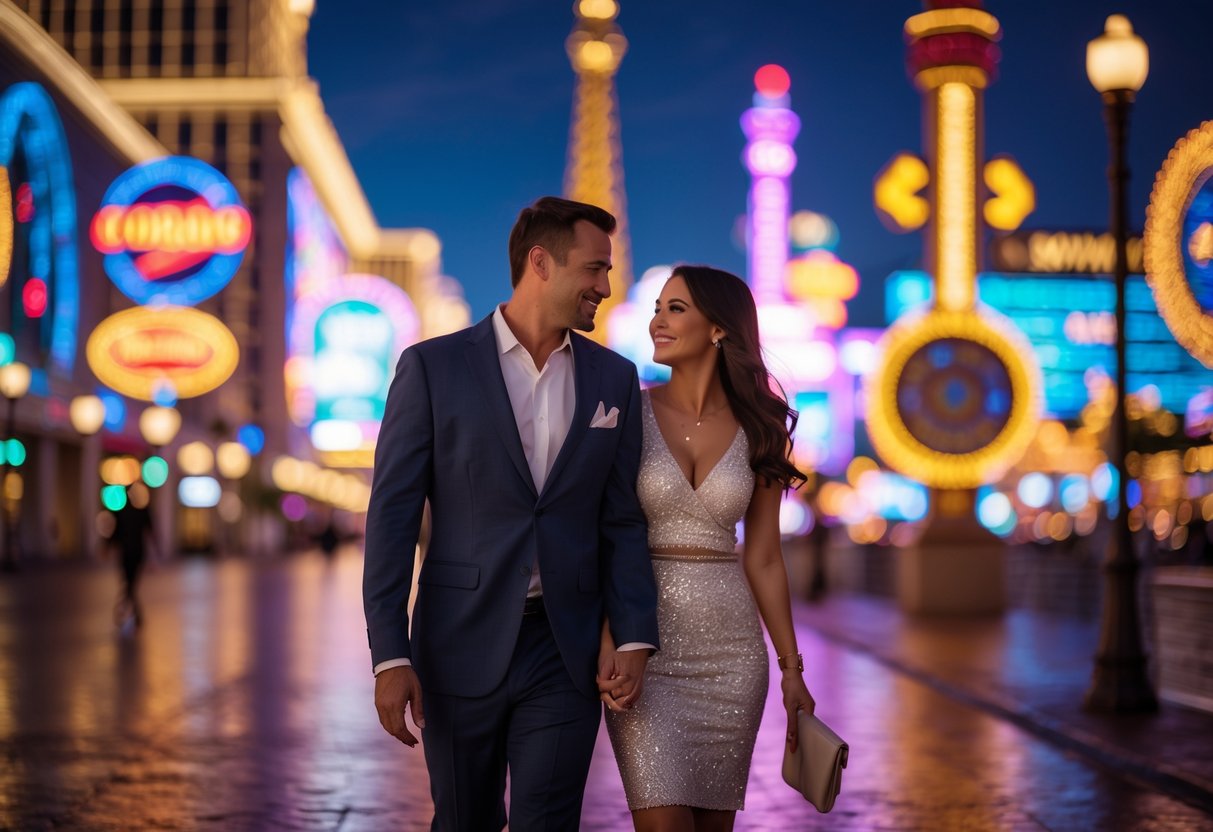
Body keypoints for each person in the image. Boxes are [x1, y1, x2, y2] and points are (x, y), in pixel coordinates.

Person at [363, 196, 660, 831]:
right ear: (540, 263)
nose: (607, 287)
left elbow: (622, 520)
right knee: (464, 820)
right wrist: (390, 656)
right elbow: (391, 516)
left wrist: (632, 632)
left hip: (565, 647)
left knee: (548, 822)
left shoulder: (614, 380)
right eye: (594, 269)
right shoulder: (432, 367)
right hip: (456, 640)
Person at [603, 265, 816, 831]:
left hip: (733, 659)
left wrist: (791, 669)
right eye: (656, 308)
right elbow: (602, 533)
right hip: (643, 648)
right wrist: (610, 633)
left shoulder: (762, 424)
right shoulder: (629, 411)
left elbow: (765, 556)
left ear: (719, 328)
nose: (657, 321)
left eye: (676, 309)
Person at [110, 483, 154, 631]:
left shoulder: (123, 512)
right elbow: (151, 532)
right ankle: (133, 614)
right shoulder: (140, 512)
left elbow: (115, 534)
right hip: (136, 552)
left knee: (129, 583)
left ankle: (125, 611)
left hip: (129, 552)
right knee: (130, 584)